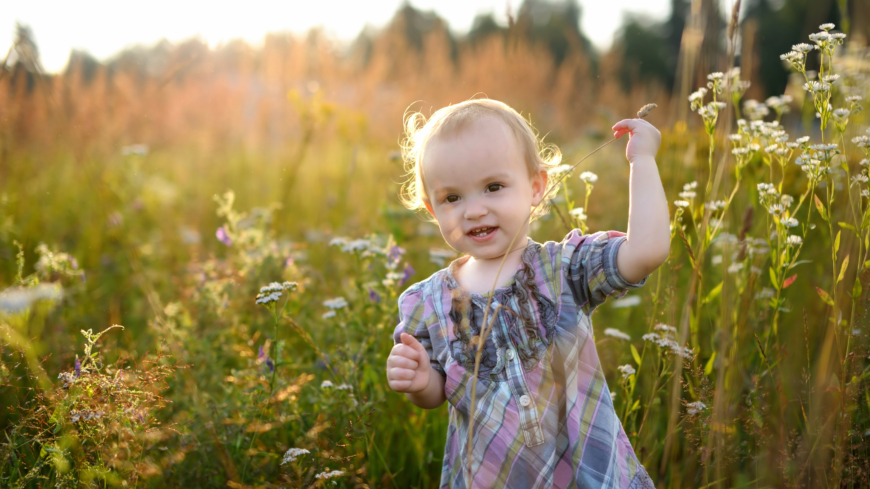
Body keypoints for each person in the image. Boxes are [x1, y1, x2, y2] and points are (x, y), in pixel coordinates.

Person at [386, 98, 667, 488]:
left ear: (536, 186)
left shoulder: (563, 269)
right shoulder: (428, 303)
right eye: (452, 197)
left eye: (493, 187)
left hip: (589, 475)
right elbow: (438, 391)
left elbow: (646, 252)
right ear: (433, 209)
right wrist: (420, 383)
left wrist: (644, 161)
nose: (473, 210)